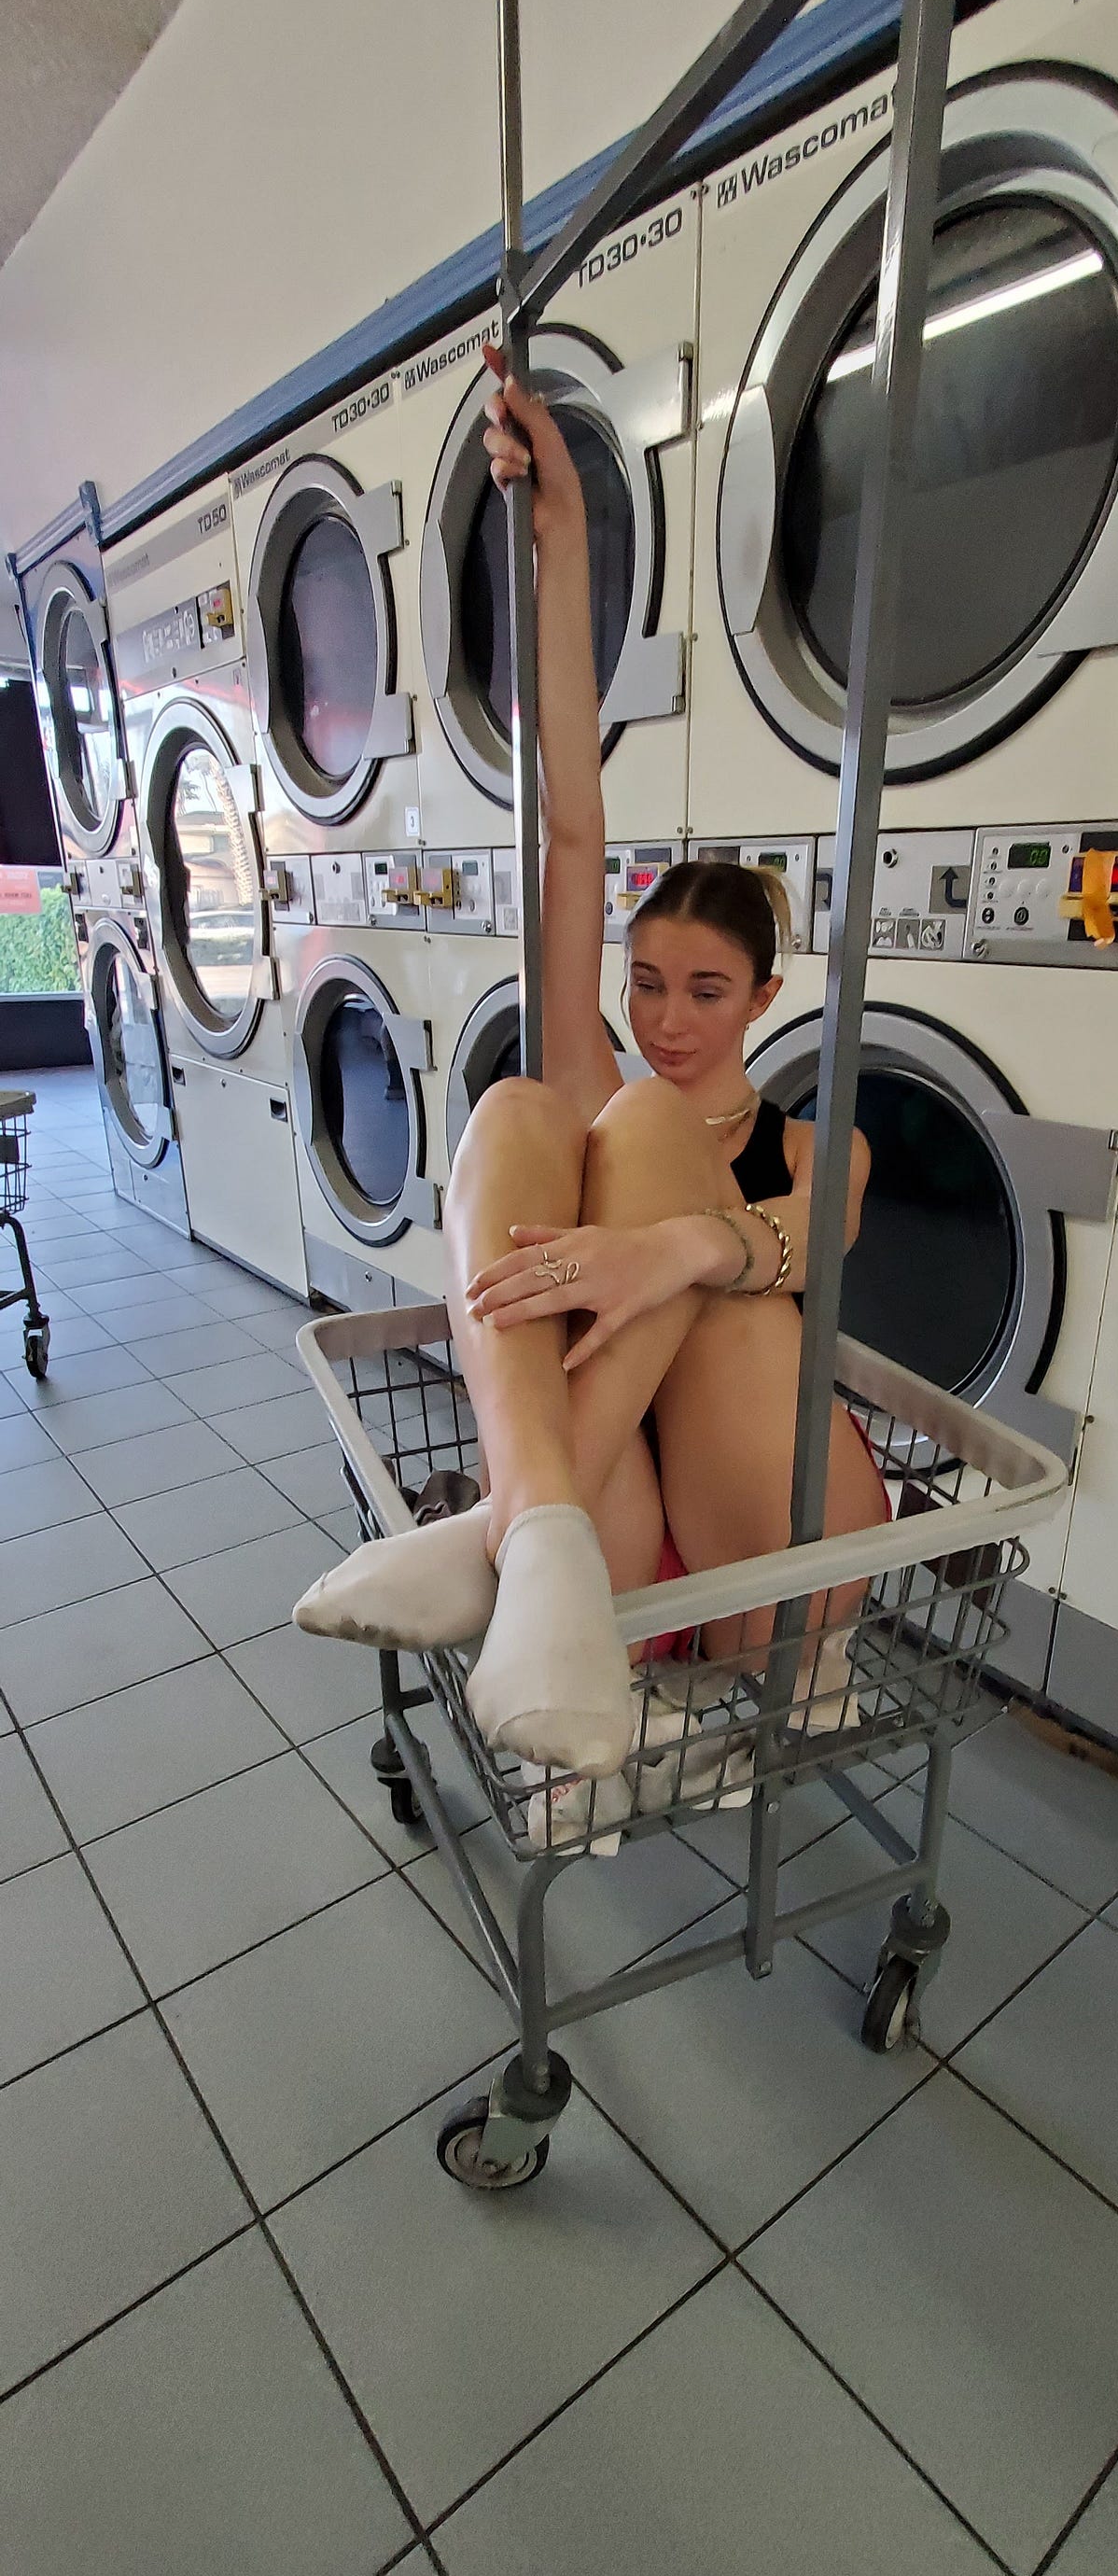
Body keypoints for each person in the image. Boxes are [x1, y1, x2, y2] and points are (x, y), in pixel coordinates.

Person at [296, 352, 889, 1781]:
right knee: (528, 1103)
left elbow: (801, 1239)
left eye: (705, 992)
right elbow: (571, 824)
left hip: (770, 1557)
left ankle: (504, 1530)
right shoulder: (600, 1087)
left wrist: (668, 1252)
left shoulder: (819, 1152)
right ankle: (541, 1535)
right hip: (613, 1538)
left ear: (764, 997)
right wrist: (560, 542)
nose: (668, 1019)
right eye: (647, 984)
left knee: (716, 1260)